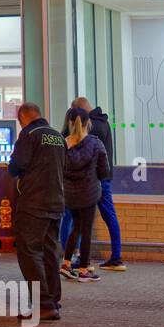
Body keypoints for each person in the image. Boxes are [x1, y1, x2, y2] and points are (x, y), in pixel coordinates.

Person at [8, 102, 65, 321]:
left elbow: (16, 166)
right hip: (56, 202)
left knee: (29, 252)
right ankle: (53, 301)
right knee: (50, 252)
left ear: (22, 118)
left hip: (33, 203)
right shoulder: (57, 136)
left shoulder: (29, 134)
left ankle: (43, 304)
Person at [58, 97, 126, 272]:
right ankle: (115, 257)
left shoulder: (88, 130)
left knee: (73, 222)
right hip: (103, 179)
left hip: (87, 184)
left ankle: (73, 260)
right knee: (108, 216)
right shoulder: (104, 123)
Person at [62, 107, 110, 282]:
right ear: (88, 122)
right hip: (89, 194)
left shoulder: (63, 144)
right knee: (86, 230)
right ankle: (83, 268)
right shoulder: (95, 144)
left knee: (76, 227)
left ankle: (66, 263)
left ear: (69, 122)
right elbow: (105, 171)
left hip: (70, 195)